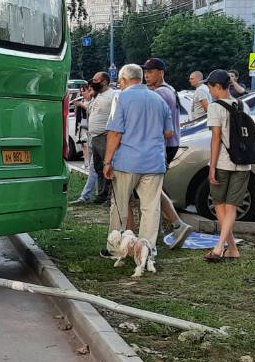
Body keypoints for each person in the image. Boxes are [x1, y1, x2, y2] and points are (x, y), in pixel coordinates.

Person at [101, 64, 177, 258]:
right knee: (151, 207)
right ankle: (147, 251)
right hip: (154, 161)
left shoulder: (122, 98)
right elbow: (169, 132)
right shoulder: (158, 99)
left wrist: (107, 161)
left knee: (119, 205)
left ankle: (115, 248)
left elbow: (115, 133)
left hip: (127, 161)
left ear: (124, 80)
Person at [141, 58, 197, 248]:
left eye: (151, 71)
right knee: (151, 188)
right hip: (165, 144)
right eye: (145, 71)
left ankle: (176, 225)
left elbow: (157, 126)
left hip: (163, 145)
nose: (146, 75)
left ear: (161, 73)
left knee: (150, 188)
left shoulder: (161, 94)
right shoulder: (164, 91)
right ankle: (171, 226)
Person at [203, 70, 250, 261]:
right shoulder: (243, 104)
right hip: (244, 163)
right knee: (230, 208)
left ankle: (218, 247)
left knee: (219, 206)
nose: (209, 90)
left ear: (217, 86)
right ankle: (232, 249)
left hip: (223, 162)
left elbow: (216, 138)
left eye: (209, 86)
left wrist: (211, 167)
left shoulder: (215, 107)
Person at [85, 72, 116, 204]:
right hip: (94, 137)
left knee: (107, 167)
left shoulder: (113, 95)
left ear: (104, 82)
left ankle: (110, 197)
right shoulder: (97, 95)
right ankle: (101, 194)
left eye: (96, 80)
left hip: (105, 137)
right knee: (98, 168)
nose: (93, 82)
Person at [73, 82, 100, 204]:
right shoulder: (94, 101)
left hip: (100, 138)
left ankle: (89, 195)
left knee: (97, 168)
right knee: (95, 168)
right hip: (92, 136)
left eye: (89, 90)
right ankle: (91, 194)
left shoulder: (98, 101)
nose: (87, 93)